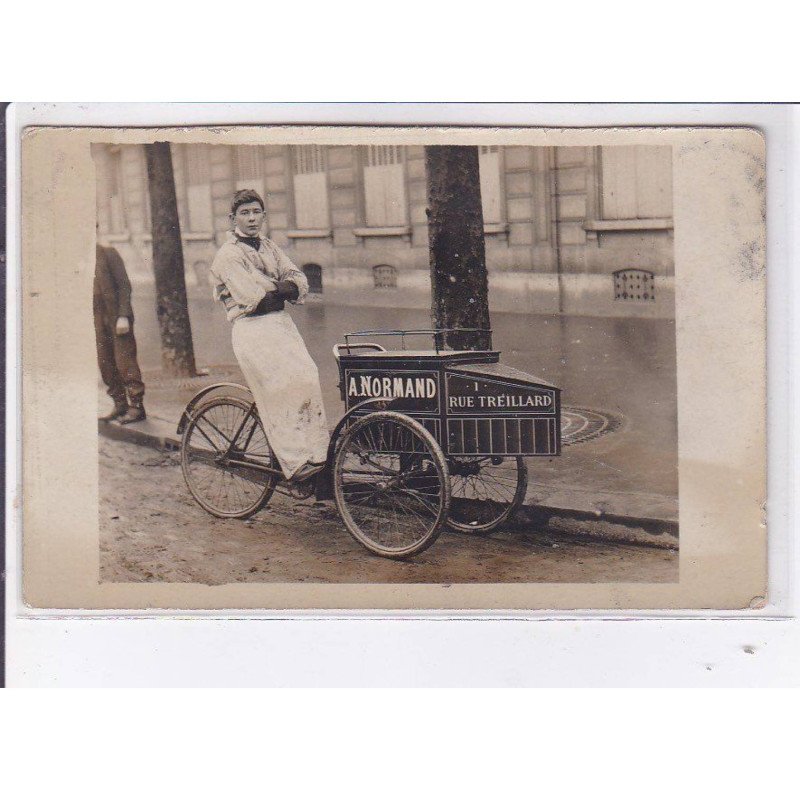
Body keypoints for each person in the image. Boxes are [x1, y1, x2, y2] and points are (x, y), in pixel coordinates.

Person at [209, 189, 329, 482]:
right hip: (252, 329)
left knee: (308, 377)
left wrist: (274, 288)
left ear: (263, 215)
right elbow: (254, 298)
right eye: (244, 213)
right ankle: (295, 463)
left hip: (281, 326)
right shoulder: (228, 255)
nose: (251, 218)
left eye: (256, 212)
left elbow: (300, 282)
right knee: (279, 387)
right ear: (233, 218)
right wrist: (282, 288)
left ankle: (318, 455)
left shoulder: (270, 248)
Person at [94, 241, 146, 424]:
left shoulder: (108, 253)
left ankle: (137, 406)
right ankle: (119, 404)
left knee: (125, 362)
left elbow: (124, 285)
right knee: (105, 364)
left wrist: (123, 315)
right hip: (96, 319)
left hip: (116, 316)